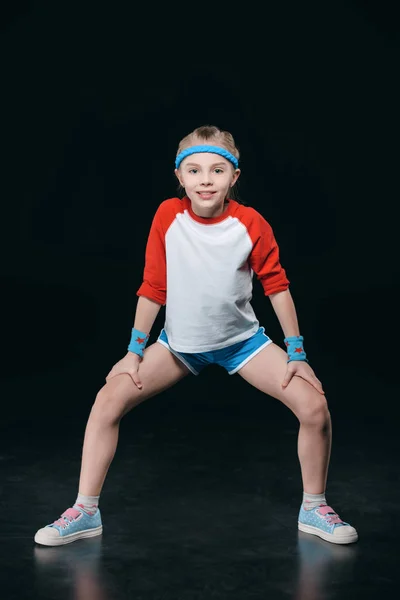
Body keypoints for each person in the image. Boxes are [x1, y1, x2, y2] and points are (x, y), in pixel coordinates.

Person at [34, 125, 358, 546]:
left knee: (315, 408)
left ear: (234, 177)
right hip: (178, 346)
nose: (206, 179)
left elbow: (277, 287)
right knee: (107, 400)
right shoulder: (168, 216)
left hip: (243, 344)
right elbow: (153, 286)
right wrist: (134, 351)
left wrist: (297, 352)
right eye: (195, 170)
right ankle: (84, 511)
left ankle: (315, 508)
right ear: (180, 177)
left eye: (217, 170)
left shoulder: (251, 224)